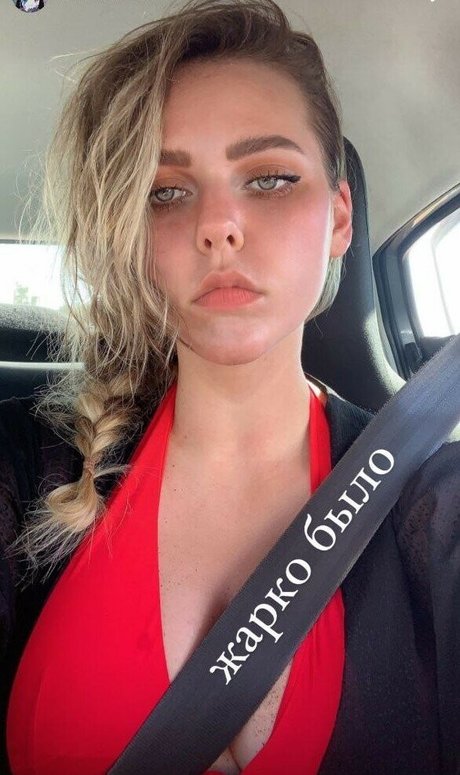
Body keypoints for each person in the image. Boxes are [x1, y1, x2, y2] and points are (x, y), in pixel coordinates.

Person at [0, 0, 459, 773]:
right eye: (166, 191)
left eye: (270, 178)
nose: (219, 225)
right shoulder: (25, 471)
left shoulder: (430, 500)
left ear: (340, 218)